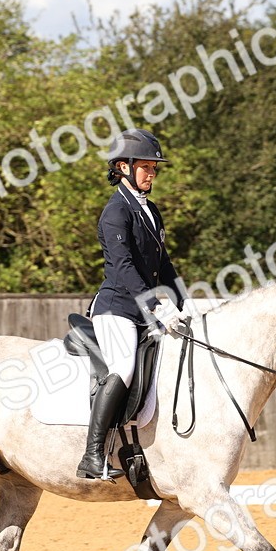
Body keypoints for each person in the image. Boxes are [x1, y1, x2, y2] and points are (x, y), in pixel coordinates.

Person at [76, 128, 186, 480]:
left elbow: (164, 265)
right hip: (117, 309)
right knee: (123, 367)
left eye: (155, 168)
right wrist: (155, 306)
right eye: (146, 167)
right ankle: (92, 455)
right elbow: (122, 268)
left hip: (143, 311)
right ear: (123, 167)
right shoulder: (115, 213)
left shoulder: (150, 210)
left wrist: (184, 302)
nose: (152, 173)